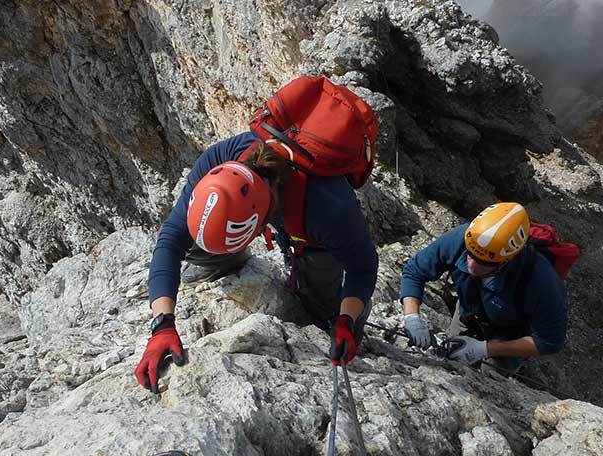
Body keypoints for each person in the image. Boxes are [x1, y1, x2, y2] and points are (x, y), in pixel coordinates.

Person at [134, 132, 379, 393]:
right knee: (196, 238)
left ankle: (349, 312)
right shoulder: (217, 165)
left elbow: (362, 266)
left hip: (310, 222)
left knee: (321, 306)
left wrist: (346, 320)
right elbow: (171, 240)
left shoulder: (327, 207)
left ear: (260, 226)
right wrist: (162, 325)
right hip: (272, 202)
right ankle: (223, 260)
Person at [398, 202, 567, 372]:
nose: (472, 265)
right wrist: (412, 318)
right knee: (450, 359)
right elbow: (415, 271)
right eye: (470, 254)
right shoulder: (463, 238)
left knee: (489, 374)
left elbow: (549, 341)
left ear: (506, 260)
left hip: (508, 334)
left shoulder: (540, 279)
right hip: (469, 310)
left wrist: (486, 349)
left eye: (484, 262)